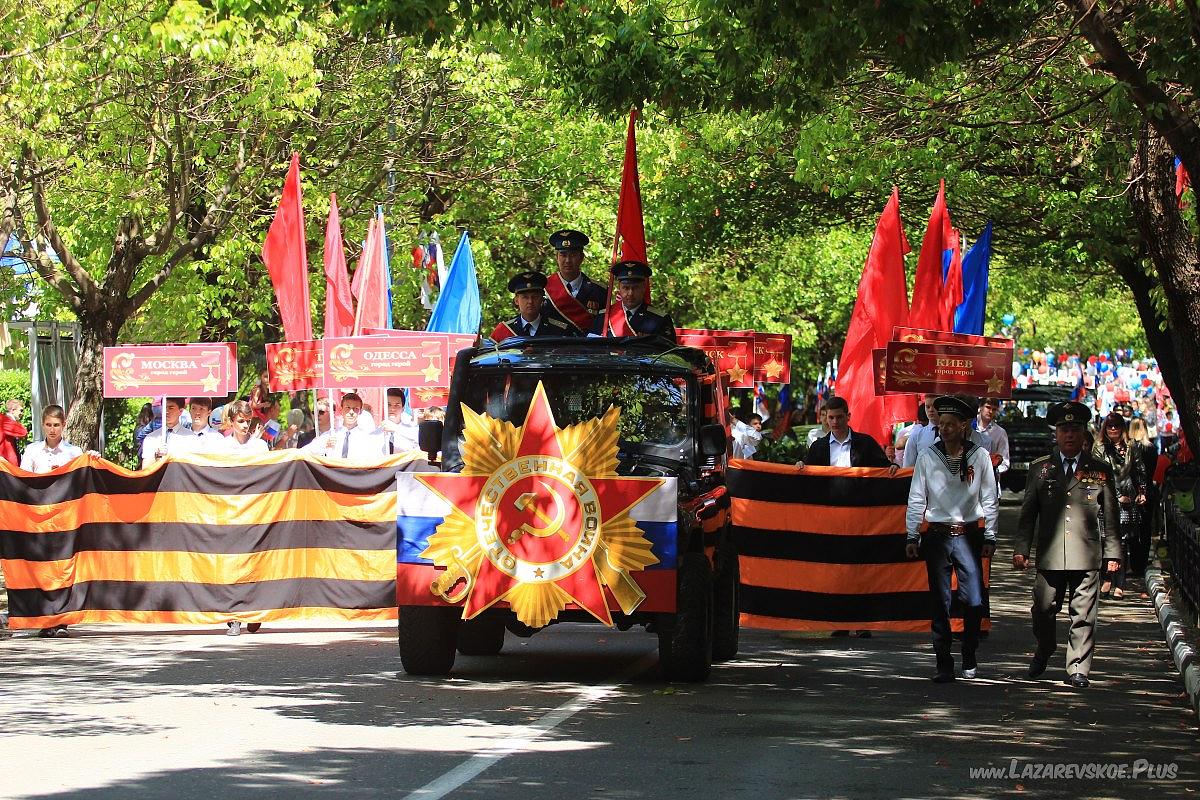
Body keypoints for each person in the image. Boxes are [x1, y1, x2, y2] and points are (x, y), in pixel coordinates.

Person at [1014, 401, 1121, 689]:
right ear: (1056, 434)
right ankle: (1045, 647)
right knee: (1043, 608)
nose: (1069, 435)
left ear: (1083, 433)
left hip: (1086, 554)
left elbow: (1111, 515)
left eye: (1074, 429)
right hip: (1050, 554)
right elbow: (1027, 514)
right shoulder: (1040, 469)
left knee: (1084, 614)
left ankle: (1078, 667)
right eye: (1064, 429)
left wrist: (1113, 553)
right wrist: (1021, 548)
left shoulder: (1099, 470)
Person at [905, 395, 999, 682]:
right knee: (940, 602)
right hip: (937, 536)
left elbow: (989, 498)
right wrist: (912, 534)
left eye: (950, 424)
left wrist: (991, 536)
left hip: (969, 535)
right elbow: (917, 497)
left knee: (972, 600)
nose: (944, 429)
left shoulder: (979, 456)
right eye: (941, 424)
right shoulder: (928, 456)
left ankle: (968, 652)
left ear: (963, 426)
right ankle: (943, 661)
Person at [21, 404, 84, 637]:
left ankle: (61, 620)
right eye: (48, 425)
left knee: (63, 568)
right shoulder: (32, 451)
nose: (52, 430)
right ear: (42, 425)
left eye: (56, 425)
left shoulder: (73, 453)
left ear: (63, 425)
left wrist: (92, 460)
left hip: (65, 519)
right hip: (38, 519)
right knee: (41, 569)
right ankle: (45, 619)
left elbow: (82, 479)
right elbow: (22, 479)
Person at [1091, 413, 1148, 600]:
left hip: (1128, 498)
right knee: (1105, 540)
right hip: (1105, 498)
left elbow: (1140, 471)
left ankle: (1120, 583)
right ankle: (1106, 578)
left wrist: (1142, 492)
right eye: (1110, 427)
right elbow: (1095, 475)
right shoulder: (1099, 448)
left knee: (1122, 543)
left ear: (1122, 428)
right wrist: (1115, 496)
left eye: (1116, 426)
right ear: (1105, 429)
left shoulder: (1132, 447)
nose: (1113, 430)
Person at [592, 261, 676, 342]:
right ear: (619, 288)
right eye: (626, 288)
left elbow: (668, 353)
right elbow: (593, 349)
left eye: (635, 288)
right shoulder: (604, 316)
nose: (630, 293)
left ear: (643, 288)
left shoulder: (659, 320)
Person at [544, 228, 607, 335]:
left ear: (581, 258)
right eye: (563, 255)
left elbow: (603, 327)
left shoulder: (599, 290)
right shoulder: (544, 288)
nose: (568, 260)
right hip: (554, 349)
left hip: (588, 349)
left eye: (573, 255)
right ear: (557, 257)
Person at [801, 396, 892, 468]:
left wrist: (893, 466)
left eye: (839, 417)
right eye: (831, 417)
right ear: (826, 418)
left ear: (848, 416)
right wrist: (800, 466)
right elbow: (808, 472)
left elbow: (885, 467)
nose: (835, 422)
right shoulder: (817, 447)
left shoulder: (866, 443)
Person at [904, 394, 991, 468]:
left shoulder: (984, 444)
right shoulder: (935, 444)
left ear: (972, 417)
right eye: (941, 424)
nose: (931, 410)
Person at [302, 392, 387, 460]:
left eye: (355, 409)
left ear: (360, 412)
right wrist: (324, 446)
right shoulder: (330, 436)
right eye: (347, 408)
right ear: (341, 410)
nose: (351, 412)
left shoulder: (368, 438)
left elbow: (378, 460)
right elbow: (305, 452)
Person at [490, 271, 574, 340]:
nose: (530, 301)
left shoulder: (559, 330)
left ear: (542, 299)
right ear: (516, 301)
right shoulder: (503, 331)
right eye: (525, 297)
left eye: (535, 297)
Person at [1129, 417, 1159, 584]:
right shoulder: (1151, 448)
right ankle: (1141, 562)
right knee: (1145, 527)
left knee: (1133, 527)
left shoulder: (1131, 448)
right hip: (1147, 489)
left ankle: (1134, 562)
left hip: (1133, 490)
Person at [140, 397, 196, 466]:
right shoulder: (151, 438)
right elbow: (145, 468)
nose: (166, 411)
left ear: (180, 411)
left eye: (171, 408)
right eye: (164, 408)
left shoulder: (191, 438)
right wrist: (156, 456)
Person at [974, 396, 1010, 479]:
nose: (990, 411)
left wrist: (992, 470)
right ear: (981, 407)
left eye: (994, 409)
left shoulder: (1000, 432)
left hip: (989, 480)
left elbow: (1005, 462)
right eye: (988, 407)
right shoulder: (969, 426)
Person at [379, 388, 419, 454]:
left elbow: (419, 440)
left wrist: (396, 429)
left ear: (403, 408)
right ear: (383, 406)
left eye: (397, 405)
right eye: (388, 405)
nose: (392, 409)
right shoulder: (376, 433)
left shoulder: (413, 429)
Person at [1, 398, 29, 466]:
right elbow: (23, 432)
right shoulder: (5, 421)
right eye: (20, 410)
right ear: (13, 410)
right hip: (6, 464)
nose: (22, 413)